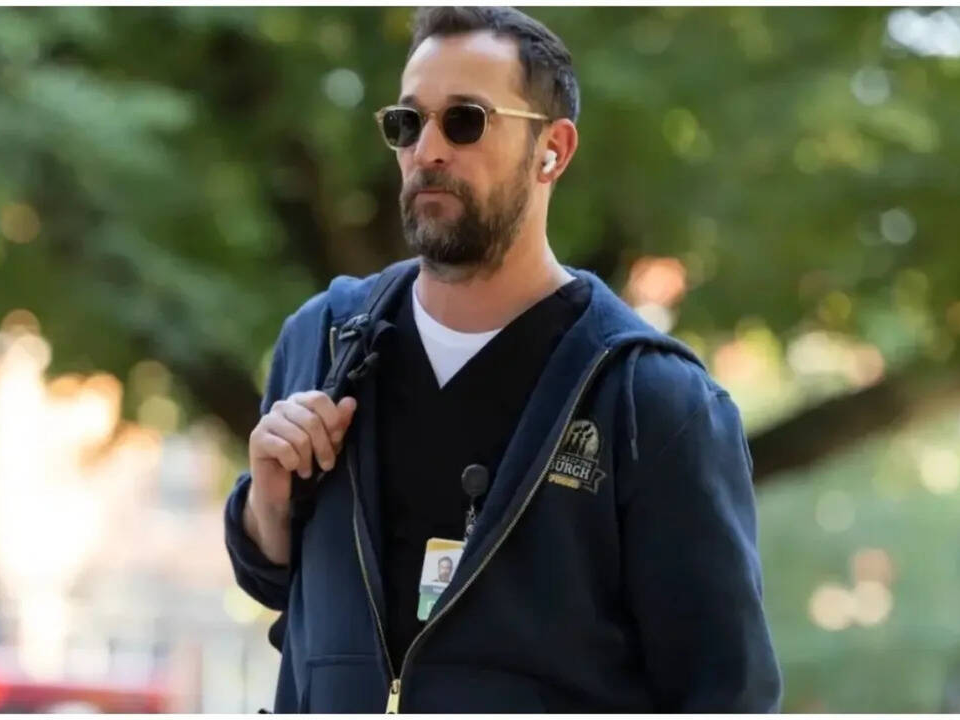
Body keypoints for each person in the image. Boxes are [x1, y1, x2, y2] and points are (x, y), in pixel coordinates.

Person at [224, 6, 782, 713]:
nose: (428, 149)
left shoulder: (654, 402)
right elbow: (276, 584)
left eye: (465, 121)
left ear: (552, 150)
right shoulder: (323, 339)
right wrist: (269, 504)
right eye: (408, 122)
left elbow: (726, 692)